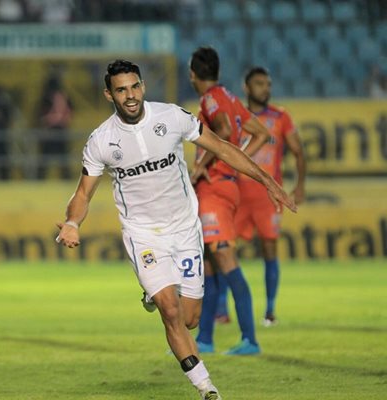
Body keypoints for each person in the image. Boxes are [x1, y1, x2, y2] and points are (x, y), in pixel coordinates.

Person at [56, 60, 296, 400]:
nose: (130, 95)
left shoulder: (172, 117)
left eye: (134, 86)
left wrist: (267, 180)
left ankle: (154, 291)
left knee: (190, 318)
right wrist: (71, 222)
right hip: (143, 234)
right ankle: (207, 387)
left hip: (184, 229)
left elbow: (224, 148)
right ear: (109, 94)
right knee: (170, 311)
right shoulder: (101, 140)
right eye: (121, 90)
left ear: (142, 86)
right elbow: (83, 193)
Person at [188, 46, 272, 355]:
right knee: (208, 266)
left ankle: (250, 339)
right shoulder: (232, 98)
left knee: (225, 260)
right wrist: (236, 161)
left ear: (193, 74)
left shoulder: (210, 99)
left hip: (215, 191)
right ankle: (205, 340)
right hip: (224, 187)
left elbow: (222, 130)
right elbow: (262, 133)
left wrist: (204, 166)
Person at [215, 66, 306, 327]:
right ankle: (222, 309)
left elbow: (298, 151)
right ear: (246, 87)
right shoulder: (237, 117)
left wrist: (300, 186)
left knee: (269, 249)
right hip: (238, 193)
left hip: (269, 196)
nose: (265, 88)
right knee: (224, 248)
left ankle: (269, 311)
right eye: (259, 84)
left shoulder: (281, 116)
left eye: (267, 84)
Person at [36, 72, 73, 179]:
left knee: (45, 159)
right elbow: (70, 112)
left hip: (49, 130)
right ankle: (66, 179)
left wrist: (47, 120)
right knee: (63, 159)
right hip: (61, 129)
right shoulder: (64, 96)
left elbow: (40, 114)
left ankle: (40, 180)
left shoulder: (46, 97)